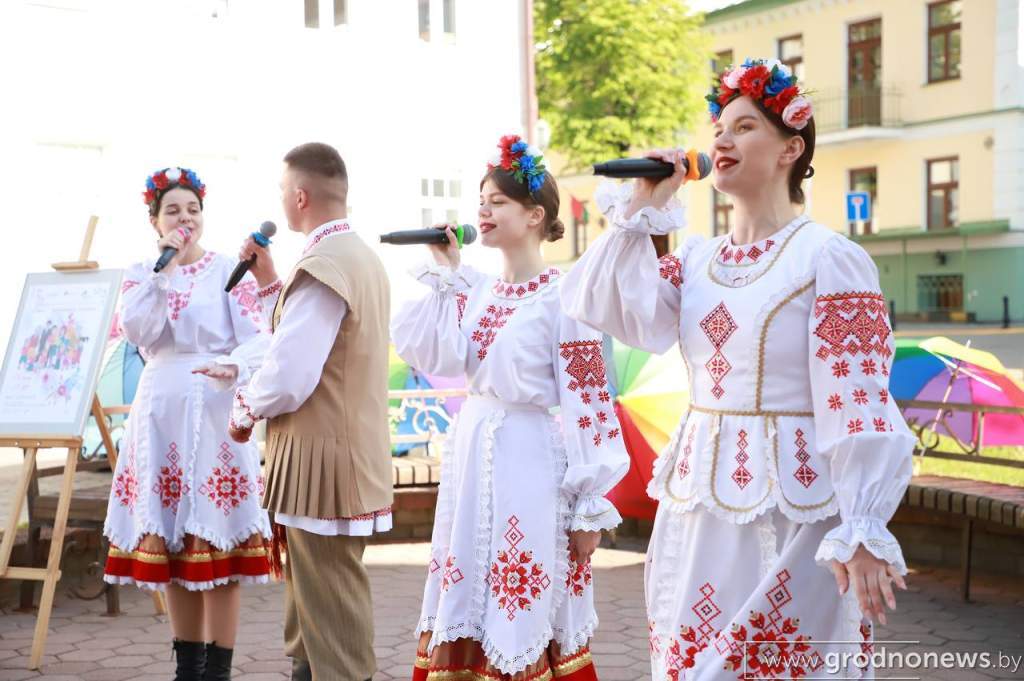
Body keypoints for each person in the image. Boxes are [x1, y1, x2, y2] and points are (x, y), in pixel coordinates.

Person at [561, 59, 914, 679]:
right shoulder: (698, 259)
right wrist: (645, 205)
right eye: (719, 128)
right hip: (699, 501)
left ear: (790, 149)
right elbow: (598, 302)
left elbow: (856, 397)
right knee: (695, 658)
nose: (722, 140)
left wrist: (861, 526)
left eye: (745, 127)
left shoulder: (828, 258)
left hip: (795, 507)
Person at [392, 134, 629, 681]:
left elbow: (590, 400)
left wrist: (590, 501)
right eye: (482, 200)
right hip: (474, 451)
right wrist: (446, 272)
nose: (483, 210)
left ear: (534, 215)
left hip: (529, 457)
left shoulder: (565, 298)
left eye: (497, 201)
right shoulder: (475, 290)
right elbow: (440, 352)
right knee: (469, 580)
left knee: (522, 588)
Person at [226, 142, 393, 681]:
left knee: (331, 613)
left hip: (323, 463)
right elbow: (307, 346)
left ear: (300, 196)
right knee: (313, 613)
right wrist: (270, 283)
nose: (282, 200)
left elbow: (291, 375)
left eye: (282, 191)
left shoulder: (325, 265)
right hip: (341, 454)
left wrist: (247, 406)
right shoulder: (359, 257)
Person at [104, 167, 273, 681]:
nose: (185, 219)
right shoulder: (141, 274)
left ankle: (219, 668)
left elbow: (259, 336)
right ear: (154, 220)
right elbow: (139, 331)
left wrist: (234, 366)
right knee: (173, 541)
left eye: (192, 210)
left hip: (215, 405)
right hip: (160, 410)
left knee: (218, 537)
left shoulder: (228, 268)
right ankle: (188, 665)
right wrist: (162, 273)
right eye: (173, 211)